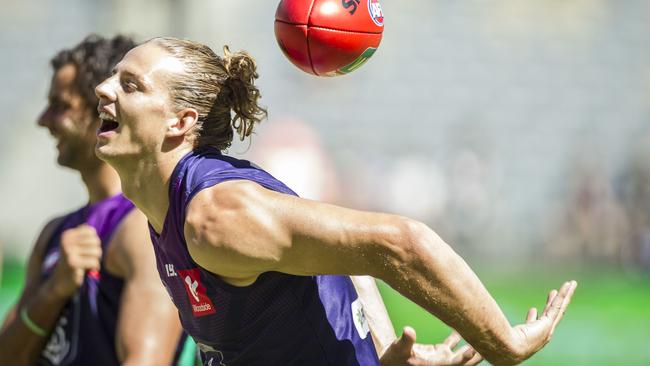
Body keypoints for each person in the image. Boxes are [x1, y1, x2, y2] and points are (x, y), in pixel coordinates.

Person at [93, 37, 577, 365]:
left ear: (181, 121)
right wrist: (385, 351)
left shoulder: (215, 216)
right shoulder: (170, 207)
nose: (103, 88)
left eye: (129, 85)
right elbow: (348, 258)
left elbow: (399, 243)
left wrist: (505, 345)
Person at [0, 35, 188, 366]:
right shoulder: (55, 232)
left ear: (104, 114)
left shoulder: (143, 228)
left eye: (60, 106)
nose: (43, 121)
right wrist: (53, 291)